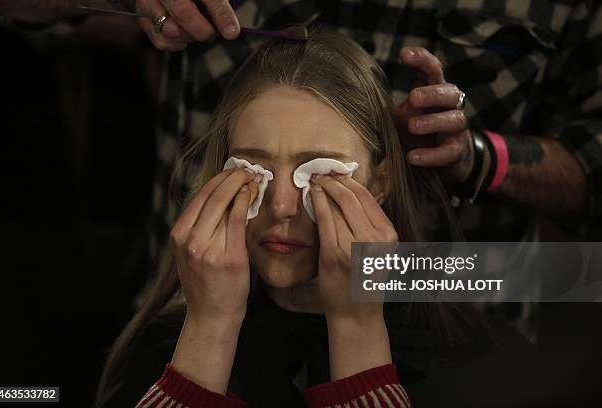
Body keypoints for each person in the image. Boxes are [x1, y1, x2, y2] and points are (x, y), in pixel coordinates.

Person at [94, 28, 544, 408]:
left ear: (381, 183)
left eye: (320, 173)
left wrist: (356, 324)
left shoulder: (482, 363)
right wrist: (208, 329)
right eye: (255, 171)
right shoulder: (167, 349)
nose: (282, 207)